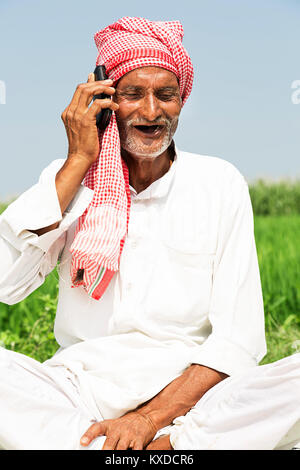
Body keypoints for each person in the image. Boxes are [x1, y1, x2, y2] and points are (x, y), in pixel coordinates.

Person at [0, 16, 299, 451]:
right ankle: (112, 447)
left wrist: (149, 419)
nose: (151, 111)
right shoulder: (69, 179)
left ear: (182, 101)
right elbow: (7, 284)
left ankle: (163, 446)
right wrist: (79, 159)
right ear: (105, 101)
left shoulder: (218, 181)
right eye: (133, 94)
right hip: (81, 390)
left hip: (191, 400)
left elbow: (240, 338)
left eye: (166, 95)